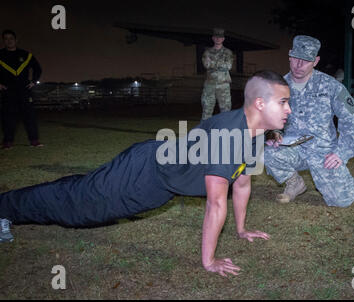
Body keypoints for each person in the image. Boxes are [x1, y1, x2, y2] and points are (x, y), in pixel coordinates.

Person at [0, 70, 292, 277]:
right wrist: (209, 261)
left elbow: (241, 182)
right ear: (259, 103)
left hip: (157, 182)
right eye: (283, 102)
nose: (289, 109)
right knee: (78, 208)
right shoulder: (230, 135)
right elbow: (216, 202)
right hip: (142, 172)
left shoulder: (255, 132)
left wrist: (241, 230)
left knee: (78, 192)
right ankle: (5, 207)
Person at [264, 35, 354, 207]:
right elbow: (271, 118)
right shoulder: (279, 86)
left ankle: (344, 179)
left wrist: (341, 153)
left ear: (315, 61)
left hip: (324, 152)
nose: (299, 65)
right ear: (289, 55)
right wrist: (274, 134)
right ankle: (295, 184)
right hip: (294, 149)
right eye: (296, 59)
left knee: (341, 201)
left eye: (306, 60)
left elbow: (351, 120)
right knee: (268, 153)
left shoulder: (331, 86)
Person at [0, 29, 43, 150]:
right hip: (8, 91)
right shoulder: (0, 55)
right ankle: (7, 142)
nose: (9, 41)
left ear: (16, 40)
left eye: (11, 38)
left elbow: (38, 69)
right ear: (3, 41)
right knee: (8, 117)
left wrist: (33, 81)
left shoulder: (26, 55)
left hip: (24, 90)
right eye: (6, 39)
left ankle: (34, 141)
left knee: (29, 116)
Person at [201, 28, 233, 120]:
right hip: (210, 85)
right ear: (213, 38)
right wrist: (220, 64)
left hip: (223, 85)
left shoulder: (228, 52)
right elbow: (206, 65)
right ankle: (204, 132)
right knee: (207, 110)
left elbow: (228, 66)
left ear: (223, 39)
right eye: (216, 37)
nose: (218, 39)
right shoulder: (207, 52)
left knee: (226, 111)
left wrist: (213, 63)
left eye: (220, 37)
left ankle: (226, 132)